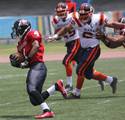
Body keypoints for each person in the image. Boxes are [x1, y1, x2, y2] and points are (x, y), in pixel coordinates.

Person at [46, 3, 125, 98]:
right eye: (81, 14)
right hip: (83, 48)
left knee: (80, 70)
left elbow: (112, 24)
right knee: (88, 73)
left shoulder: (99, 18)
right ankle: (111, 80)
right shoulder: (76, 20)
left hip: (93, 48)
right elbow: (66, 28)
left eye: (85, 14)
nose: (82, 17)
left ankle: (76, 93)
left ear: (91, 13)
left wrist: (122, 25)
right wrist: (56, 36)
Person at [10, 19, 67, 119]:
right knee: (34, 101)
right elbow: (25, 61)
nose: (16, 31)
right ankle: (56, 87)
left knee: (31, 89)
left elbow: (36, 46)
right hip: (33, 67)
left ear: (22, 28)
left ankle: (47, 111)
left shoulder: (32, 33)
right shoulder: (20, 44)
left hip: (38, 66)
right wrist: (19, 64)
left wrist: (26, 59)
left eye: (17, 29)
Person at [51, 2, 81, 92]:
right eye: (58, 12)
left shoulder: (74, 16)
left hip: (77, 40)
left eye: (62, 11)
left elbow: (71, 28)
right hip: (68, 43)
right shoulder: (55, 20)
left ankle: (69, 85)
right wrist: (55, 37)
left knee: (66, 61)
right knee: (85, 68)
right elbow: (59, 35)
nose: (60, 14)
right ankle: (108, 79)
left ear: (67, 10)